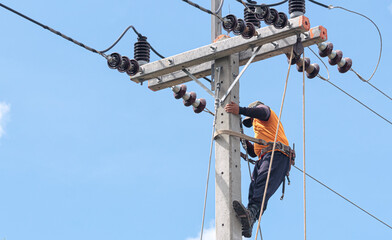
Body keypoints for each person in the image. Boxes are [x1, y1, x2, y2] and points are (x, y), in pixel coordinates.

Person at [224, 101, 294, 238]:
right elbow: (253, 153)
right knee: (255, 187)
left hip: (277, 154)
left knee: (262, 183)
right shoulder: (262, 133)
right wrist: (240, 137)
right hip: (265, 156)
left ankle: (251, 214)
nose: (253, 122)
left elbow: (262, 112)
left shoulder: (265, 111)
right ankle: (250, 218)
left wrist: (240, 110)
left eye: (251, 118)